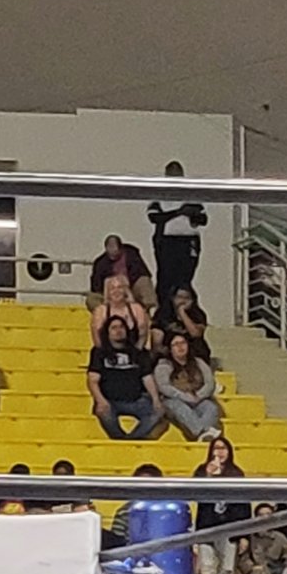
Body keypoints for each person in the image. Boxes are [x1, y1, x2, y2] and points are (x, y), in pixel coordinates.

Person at [89, 314, 167, 439]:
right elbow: (93, 380)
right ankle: (120, 439)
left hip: (136, 400)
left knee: (158, 412)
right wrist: (100, 400)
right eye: (114, 328)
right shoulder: (99, 352)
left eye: (121, 327)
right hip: (110, 401)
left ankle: (131, 439)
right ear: (107, 333)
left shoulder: (139, 353)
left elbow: (147, 378)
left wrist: (156, 400)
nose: (118, 330)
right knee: (103, 412)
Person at [148, 167, 207, 308]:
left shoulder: (191, 195)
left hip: (189, 241)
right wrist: (179, 212)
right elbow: (154, 217)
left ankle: (188, 309)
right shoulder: (159, 195)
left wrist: (192, 214)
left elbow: (203, 219)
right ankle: (164, 309)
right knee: (165, 278)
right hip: (167, 241)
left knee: (185, 278)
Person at [156, 330, 222, 440]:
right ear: (170, 349)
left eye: (183, 343)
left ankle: (204, 435)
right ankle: (202, 432)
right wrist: (185, 397)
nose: (180, 347)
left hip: (199, 398)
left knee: (211, 407)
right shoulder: (163, 366)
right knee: (178, 407)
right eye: (176, 344)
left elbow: (210, 382)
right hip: (175, 400)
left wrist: (199, 396)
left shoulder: (199, 362)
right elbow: (164, 387)